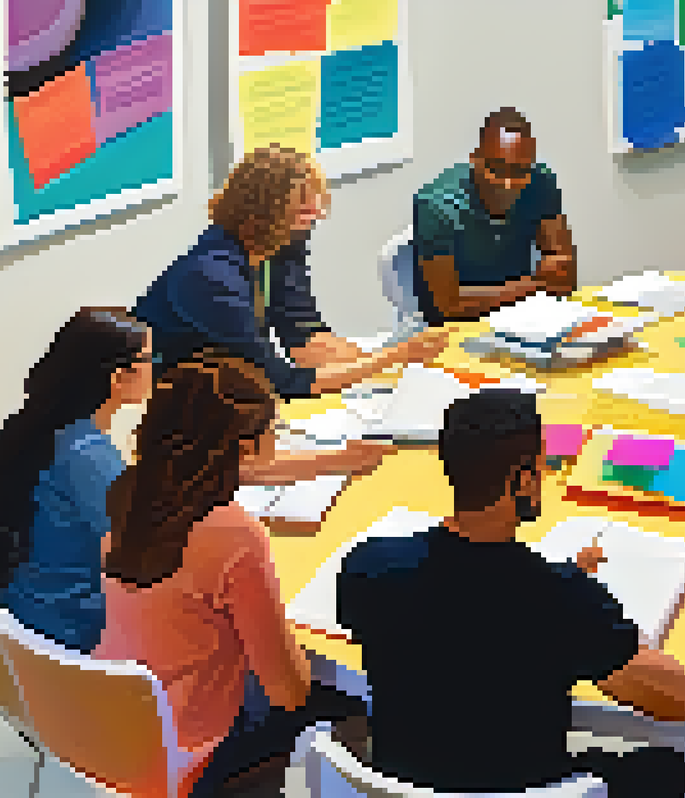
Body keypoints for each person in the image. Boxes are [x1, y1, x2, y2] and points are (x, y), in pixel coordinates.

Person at [337, 390, 685, 796]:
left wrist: (567, 587)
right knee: (671, 767)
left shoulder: (368, 567)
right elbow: (679, 700)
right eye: (543, 465)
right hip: (524, 786)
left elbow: (458, 619)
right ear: (523, 480)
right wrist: (589, 605)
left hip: (402, 779)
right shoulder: (560, 600)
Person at [95, 351, 369, 798]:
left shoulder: (126, 494)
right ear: (244, 449)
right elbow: (289, 693)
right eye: (275, 430)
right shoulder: (233, 535)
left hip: (125, 733)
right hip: (202, 753)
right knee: (362, 699)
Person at [133, 144, 449, 399]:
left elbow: (305, 339)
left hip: (226, 390)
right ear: (261, 216)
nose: (318, 216)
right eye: (304, 211)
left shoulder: (279, 247)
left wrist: (395, 362)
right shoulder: (210, 278)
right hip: (172, 401)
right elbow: (280, 381)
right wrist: (393, 358)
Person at [0, 308, 151, 653]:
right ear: (119, 377)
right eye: (151, 359)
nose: (157, 368)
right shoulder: (89, 455)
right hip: (75, 634)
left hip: (27, 622)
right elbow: (139, 553)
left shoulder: (39, 432)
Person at [411, 107, 578, 323]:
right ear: (474, 160)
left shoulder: (540, 183)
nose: (507, 184)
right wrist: (535, 284)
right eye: (496, 170)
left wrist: (552, 274)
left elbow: (564, 274)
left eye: (520, 172)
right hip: (455, 330)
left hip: (521, 319)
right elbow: (449, 306)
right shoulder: (437, 206)